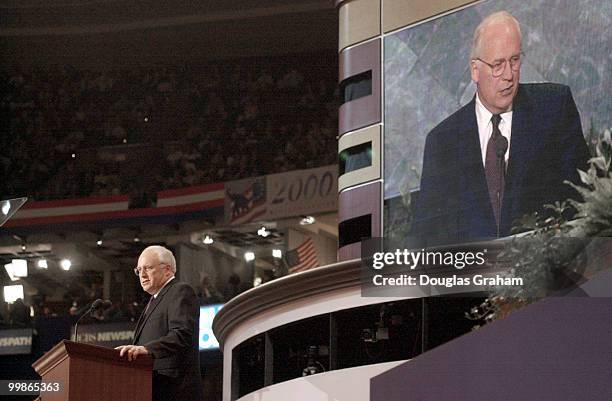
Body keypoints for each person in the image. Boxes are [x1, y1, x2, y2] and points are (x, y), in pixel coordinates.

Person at [412, 11, 590, 245]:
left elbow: (585, 199)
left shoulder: (554, 108)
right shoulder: (442, 142)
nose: (508, 75)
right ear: (475, 70)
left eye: (514, 61)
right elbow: (428, 239)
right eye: (497, 65)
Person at [116, 245, 203, 401]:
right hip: (151, 387)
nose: (142, 275)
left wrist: (147, 349)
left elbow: (181, 335)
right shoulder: (153, 301)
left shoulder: (180, 291)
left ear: (167, 270)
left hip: (174, 389)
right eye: (138, 270)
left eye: (148, 268)